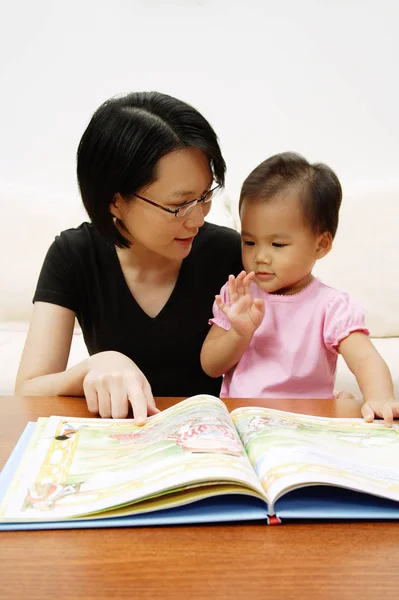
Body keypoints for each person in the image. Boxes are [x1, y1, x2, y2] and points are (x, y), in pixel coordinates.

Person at [15, 92, 242, 422]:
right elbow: (29, 390)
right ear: (115, 202)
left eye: (205, 195)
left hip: (211, 440)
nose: (197, 219)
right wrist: (95, 365)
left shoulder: (229, 254)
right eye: (179, 205)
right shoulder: (75, 255)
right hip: (121, 438)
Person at [200, 152, 399, 426]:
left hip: (308, 423)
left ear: (321, 245)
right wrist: (239, 332)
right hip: (241, 421)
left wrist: (380, 397)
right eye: (249, 242)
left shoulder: (331, 306)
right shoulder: (238, 295)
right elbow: (210, 365)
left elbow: (365, 357)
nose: (260, 256)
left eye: (277, 245)